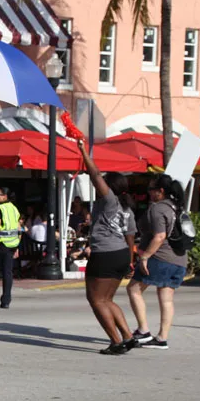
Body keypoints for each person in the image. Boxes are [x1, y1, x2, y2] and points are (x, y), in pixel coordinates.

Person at [75, 139, 137, 354]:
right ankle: (128, 336)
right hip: (121, 254)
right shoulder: (127, 209)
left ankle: (116, 342)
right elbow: (130, 236)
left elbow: (95, 175)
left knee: (96, 299)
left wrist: (83, 151)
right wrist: (130, 261)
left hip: (105, 254)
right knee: (107, 299)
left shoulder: (110, 201)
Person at [127, 174, 189, 350]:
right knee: (167, 299)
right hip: (180, 259)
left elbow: (160, 236)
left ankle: (143, 331)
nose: (149, 193)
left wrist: (145, 256)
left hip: (161, 257)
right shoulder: (177, 206)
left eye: (151, 189)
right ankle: (162, 338)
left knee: (133, 289)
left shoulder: (158, 208)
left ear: (160, 191)